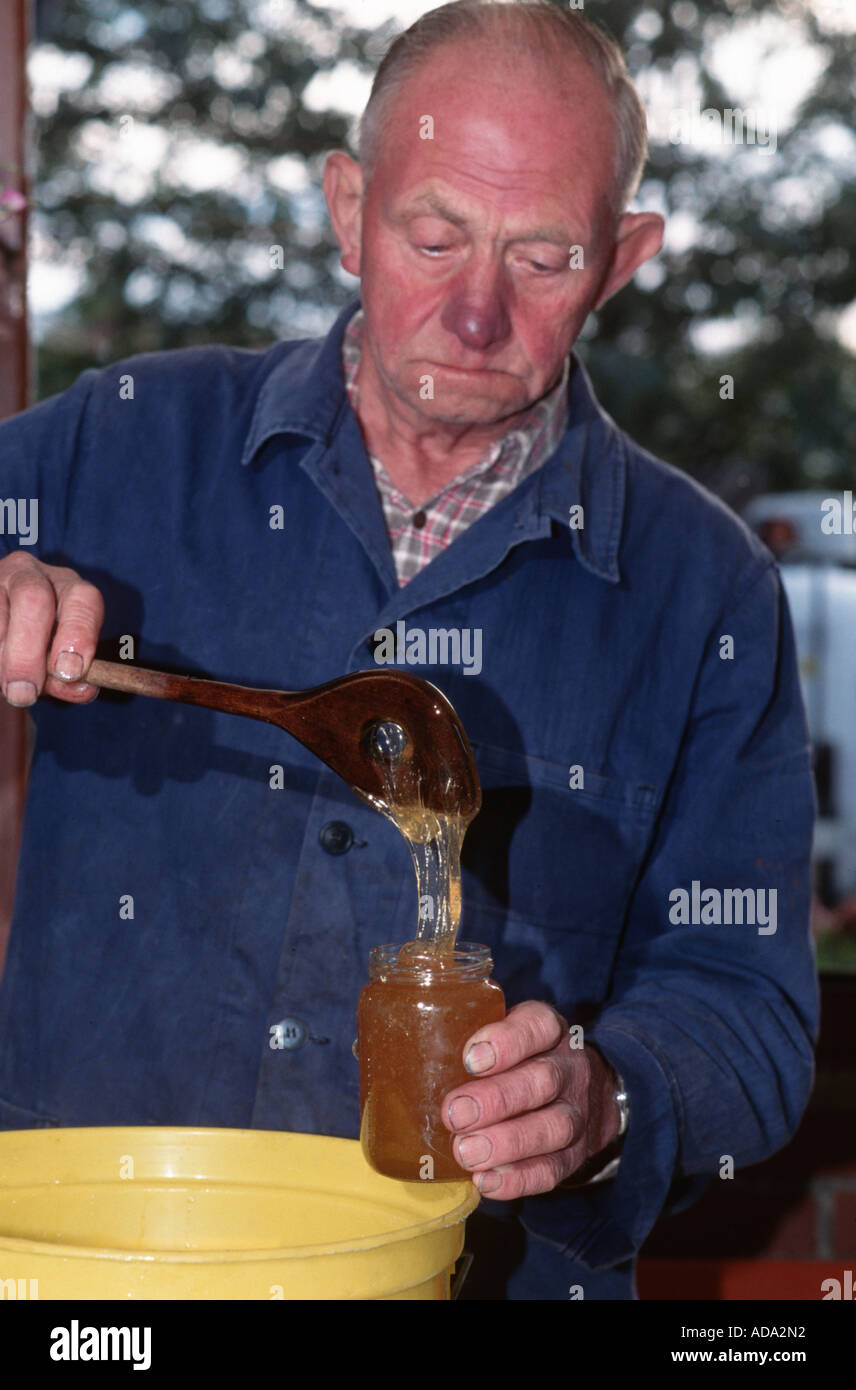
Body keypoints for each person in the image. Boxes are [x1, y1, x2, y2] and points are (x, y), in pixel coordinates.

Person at [0, 1, 816, 1300]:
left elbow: (751, 1007)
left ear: (622, 259)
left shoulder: (705, 590)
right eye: (433, 235)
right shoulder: (120, 446)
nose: (477, 312)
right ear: (346, 210)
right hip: (99, 1275)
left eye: (543, 258)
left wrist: (606, 1096)